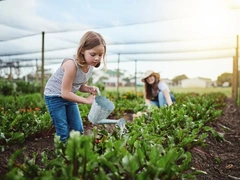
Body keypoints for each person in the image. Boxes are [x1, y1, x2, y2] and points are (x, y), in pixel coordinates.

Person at [44, 31, 107, 143]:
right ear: (82, 50)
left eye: (100, 55)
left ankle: (75, 154)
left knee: (77, 129)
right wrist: (86, 100)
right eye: (93, 54)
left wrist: (88, 88)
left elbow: (79, 86)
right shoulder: (71, 64)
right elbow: (65, 93)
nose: (97, 58)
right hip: (54, 96)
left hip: (69, 96)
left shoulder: (90, 66)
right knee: (63, 132)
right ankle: (63, 158)